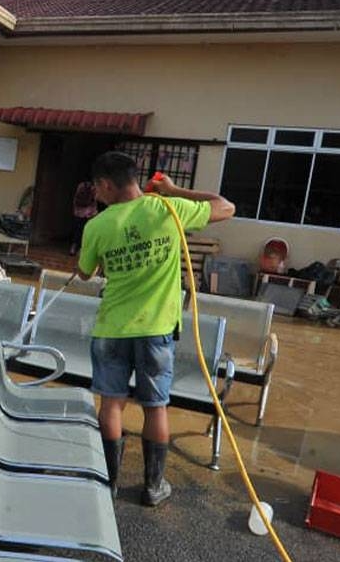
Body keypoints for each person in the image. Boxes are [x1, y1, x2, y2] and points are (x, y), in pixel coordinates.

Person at [77, 152, 234, 506]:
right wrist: (177, 190)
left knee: (112, 405)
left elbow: (86, 271)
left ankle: (110, 484)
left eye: (96, 188)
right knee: (155, 407)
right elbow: (226, 206)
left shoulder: (97, 226)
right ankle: (153, 486)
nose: (97, 195)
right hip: (156, 331)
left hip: (112, 329)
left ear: (105, 184)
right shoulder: (169, 210)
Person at [70, 180, 98, 255]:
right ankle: (82, 250)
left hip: (79, 212)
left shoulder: (81, 185)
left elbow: (76, 198)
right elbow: (95, 199)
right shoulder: (94, 187)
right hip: (89, 213)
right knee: (87, 231)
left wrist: (75, 210)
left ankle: (73, 248)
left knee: (78, 231)